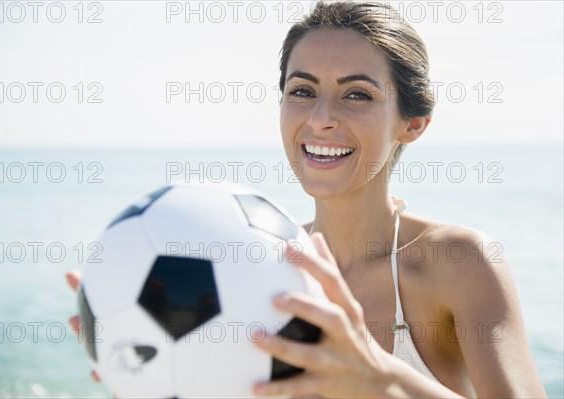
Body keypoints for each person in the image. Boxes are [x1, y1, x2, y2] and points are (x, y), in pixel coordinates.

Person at [68, 1, 547, 397]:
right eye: (302, 90)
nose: (321, 118)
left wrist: (383, 379)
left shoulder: (456, 261)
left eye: (357, 95)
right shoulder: (257, 269)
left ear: (412, 123)